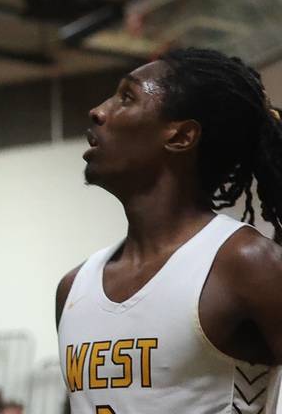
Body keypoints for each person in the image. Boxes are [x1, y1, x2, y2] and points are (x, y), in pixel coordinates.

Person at [56, 49, 282, 411]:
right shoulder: (72, 288)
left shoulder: (246, 265)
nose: (98, 111)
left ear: (180, 136)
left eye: (127, 96)